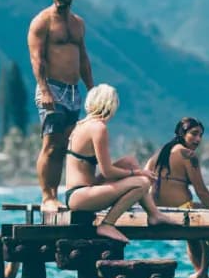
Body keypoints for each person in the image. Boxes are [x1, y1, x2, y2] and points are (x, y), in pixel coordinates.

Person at [63, 84, 175, 244]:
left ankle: (154, 214)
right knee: (141, 183)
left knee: (129, 161)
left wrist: (133, 170)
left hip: (80, 191)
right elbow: (108, 172)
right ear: (110, 105)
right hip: (80, 197)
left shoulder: (82, 124)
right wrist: (137, 173)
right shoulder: (98, 127)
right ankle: (107, 224)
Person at [27, 0, 95, 211]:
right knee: (51, 144)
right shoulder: (42, 21)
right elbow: (36, 59)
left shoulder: (78, 24)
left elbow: (83, 58)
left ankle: (62, 194)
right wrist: (44, 89)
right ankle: (48, 196)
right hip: (52, 87)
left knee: (67, 145)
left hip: (73, 90)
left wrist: (92, 90)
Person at [145, 117, 209, 278]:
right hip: (180, 209)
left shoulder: (160, 153)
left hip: (157, 210)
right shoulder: (188, 155)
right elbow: (201, 190)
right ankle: (203, 272)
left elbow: (144, 177)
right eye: (194, 134)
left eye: (201, 135)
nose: (198, 139)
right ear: (182, 133)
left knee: (193, 239)